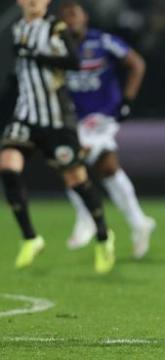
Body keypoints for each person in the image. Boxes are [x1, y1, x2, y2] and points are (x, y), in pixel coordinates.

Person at [1, 0, 115, 274]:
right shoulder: (17, 28)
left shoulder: (55, 27)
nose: (32, 2)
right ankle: (30, 237)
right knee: (7, 165)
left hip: (56, 119)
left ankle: (103, 236)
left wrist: (36, 55)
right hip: (26, 114)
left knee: (76, 179)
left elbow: (74, 61)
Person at [57, 0, 155, 259]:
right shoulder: (57, 48)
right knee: (108, 169)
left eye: (74, 14)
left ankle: (85, 218)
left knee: (72, 159)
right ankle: (139, 223)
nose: (70, 20)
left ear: (85, 17)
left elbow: (137, 64)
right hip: (74, 118)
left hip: (103, 116)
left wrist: (127, 101)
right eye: (65, 16)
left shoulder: (102, 41)